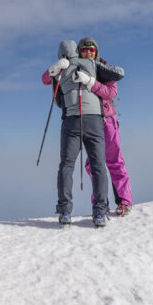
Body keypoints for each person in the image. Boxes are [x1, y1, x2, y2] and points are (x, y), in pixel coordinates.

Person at [42, 38, 110, 227]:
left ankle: (65, 212)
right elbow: (116, 75)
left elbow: (52, 91)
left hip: (71, 120)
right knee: (98, 167)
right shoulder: (91, 64)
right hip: (95, 120)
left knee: (66, 166)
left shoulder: (58, 69)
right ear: (77, 51)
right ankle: (100, 212)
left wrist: (56, 71)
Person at [80, 42, 133, 217]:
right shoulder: (76, 70)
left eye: (92, 49)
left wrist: (90, 82)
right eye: (84, 50)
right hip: (89, 123)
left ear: (96, 52)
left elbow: (110, 93)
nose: (88, 53)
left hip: (107, 120)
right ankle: (101, 202)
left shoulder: (105, 70)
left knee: (114, 161)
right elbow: (46, 79)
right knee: (93, 165)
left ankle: (124, 202)